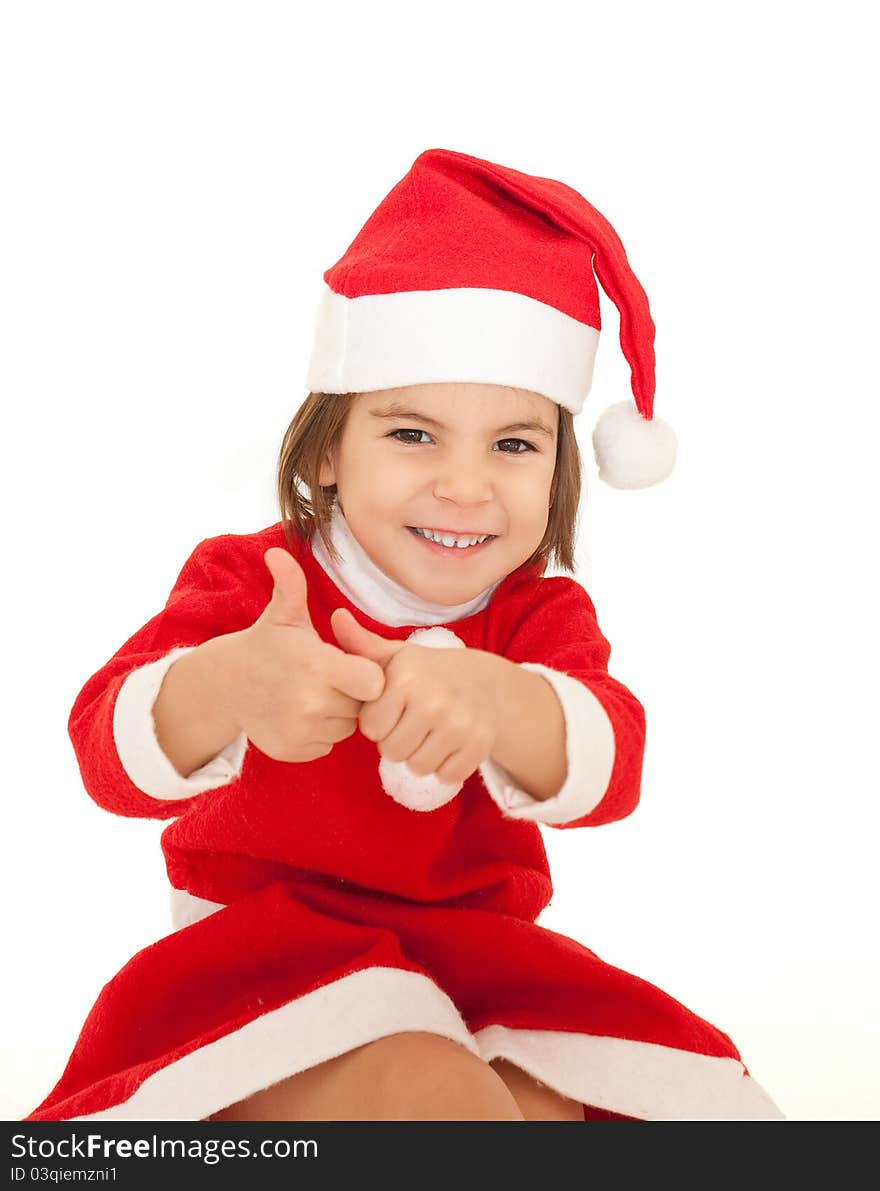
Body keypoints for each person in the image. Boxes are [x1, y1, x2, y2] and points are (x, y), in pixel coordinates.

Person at [22, 147, 782, 1122]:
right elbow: (105, 754)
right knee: (428, 1093)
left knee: (639, 1113)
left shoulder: (533, 614)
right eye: (413, 434)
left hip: (482, 970)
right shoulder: (255, 582)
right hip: (263, 973)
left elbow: (610, 764)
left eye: (513, 444)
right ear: (330, 448)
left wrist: (501, 703)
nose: (465, 488)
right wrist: (227, 686)